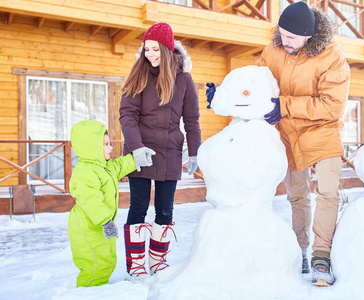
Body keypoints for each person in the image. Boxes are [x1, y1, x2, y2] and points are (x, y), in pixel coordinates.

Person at [206, 2, 349, 287]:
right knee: (297, 196)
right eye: (281, 34)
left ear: (308, 34)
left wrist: (283, 105)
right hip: (287, 134)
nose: (285, 41)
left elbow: (332, 105)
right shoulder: (273, 51)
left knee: (328, 192)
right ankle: (299, 251)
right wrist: (224, 94)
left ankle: (321, 254)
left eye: (292, 37)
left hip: (321, 131)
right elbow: (254, 84)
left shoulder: (331, 56)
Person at [119, 22, 201, 277]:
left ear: (167, 49)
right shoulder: (139, 74)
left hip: (170, 151)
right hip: (140, 150)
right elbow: (127, 115)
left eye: (155, 49)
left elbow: (191, 120)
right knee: (139, 206)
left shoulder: (184, 80)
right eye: (146, 49)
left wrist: (196, 151)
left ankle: (157, 261)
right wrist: (137, 148)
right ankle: (135, 265)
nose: (150, 54)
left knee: (165, 208)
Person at [68, 120, 142, 287]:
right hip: (88, 226)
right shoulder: (85, 171)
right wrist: (105, 221)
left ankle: (100, 290)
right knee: (94, 264)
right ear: (91, 147)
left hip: (103, 224)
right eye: (105, 144)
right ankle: (86, 293)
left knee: (107, 259)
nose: (110, 148)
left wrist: (134, 159)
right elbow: (90, 199)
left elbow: (118, 167)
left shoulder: (103, 167)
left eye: (109, 143)